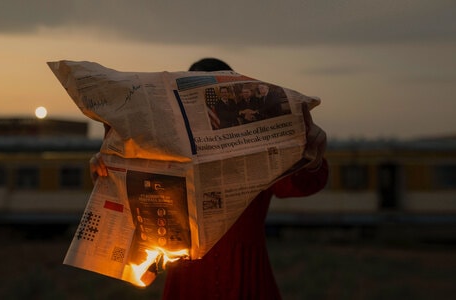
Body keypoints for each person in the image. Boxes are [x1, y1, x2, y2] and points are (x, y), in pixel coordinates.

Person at [89, 58, 328, 299]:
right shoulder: (164, 151)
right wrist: (108, 178)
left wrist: (312, 155)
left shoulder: (256, 146)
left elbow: (301, 185)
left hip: (246, 278)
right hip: (189, 281)